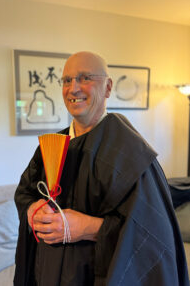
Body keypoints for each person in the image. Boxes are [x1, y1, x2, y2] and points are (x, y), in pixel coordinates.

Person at [14, 51, 189, 286]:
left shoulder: (131, 152)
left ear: (107, 88)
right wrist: (34, 210)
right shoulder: (52, 146)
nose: (73, 88)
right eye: (67, 80)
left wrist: (89, 228)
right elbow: (25, 193)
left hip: (99, 274)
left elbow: (152, 233)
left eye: (85, 78)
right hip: (46, 270)